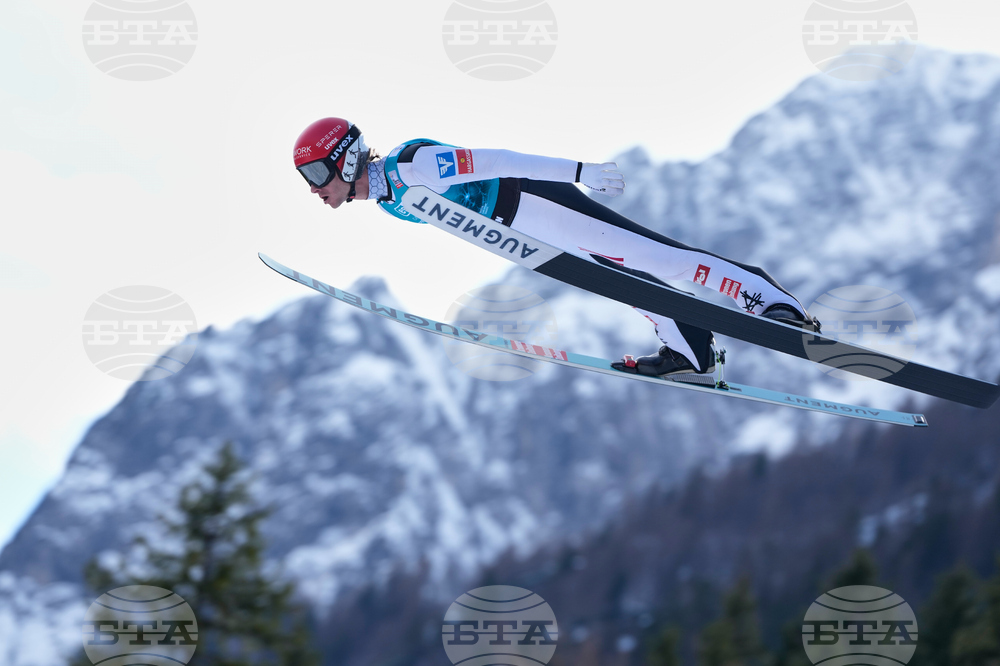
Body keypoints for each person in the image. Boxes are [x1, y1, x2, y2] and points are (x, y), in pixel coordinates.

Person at [292, 117, 820, 379]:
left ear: (345, 157)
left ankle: (771, 300)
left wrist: (579, 172)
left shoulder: (412, 166)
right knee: (617, 285)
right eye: (305, 178)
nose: (314, 188)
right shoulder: (387, 198)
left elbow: (497, 159)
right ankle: (689, 346)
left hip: (535, 201)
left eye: (316, 172)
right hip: (524, 231)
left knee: (654, 257)